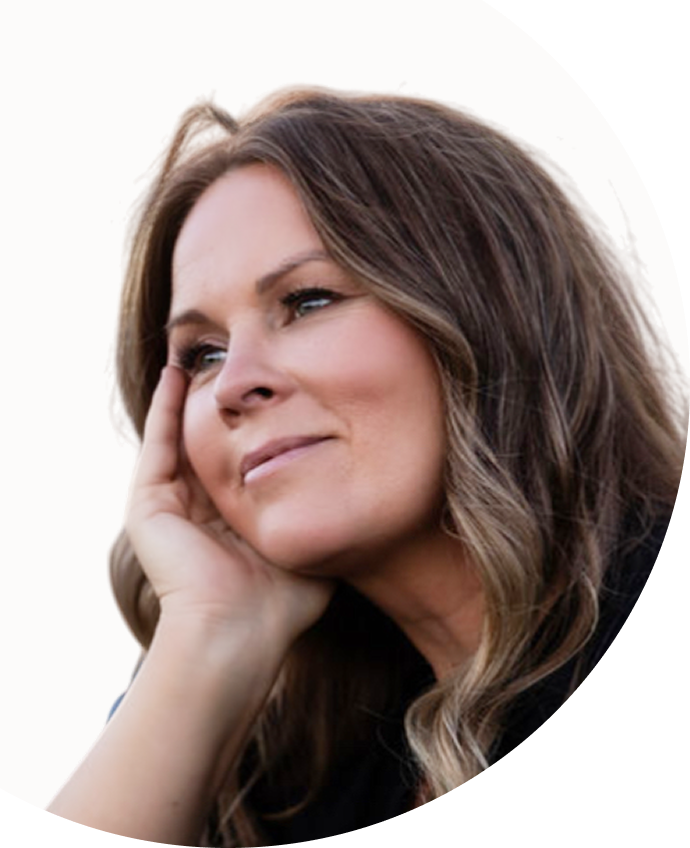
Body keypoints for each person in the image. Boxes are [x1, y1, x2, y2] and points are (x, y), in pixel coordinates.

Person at [47, 88, 684, 844]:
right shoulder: (298, 768)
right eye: (204, 353)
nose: (235, 383)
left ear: (493, 309)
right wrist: (213, 630)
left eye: (308, 301)